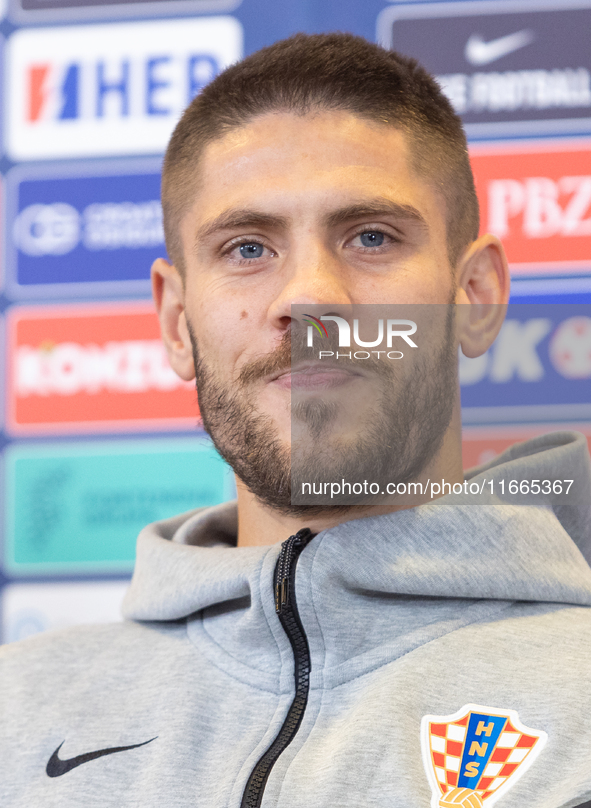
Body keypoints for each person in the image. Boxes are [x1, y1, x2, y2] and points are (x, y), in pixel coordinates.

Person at [1, 32, 591, 808]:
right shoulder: (17, 708)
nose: (310, 297)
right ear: (177, 323)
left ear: (473, 297)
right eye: (247, 248)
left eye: (371, 237)